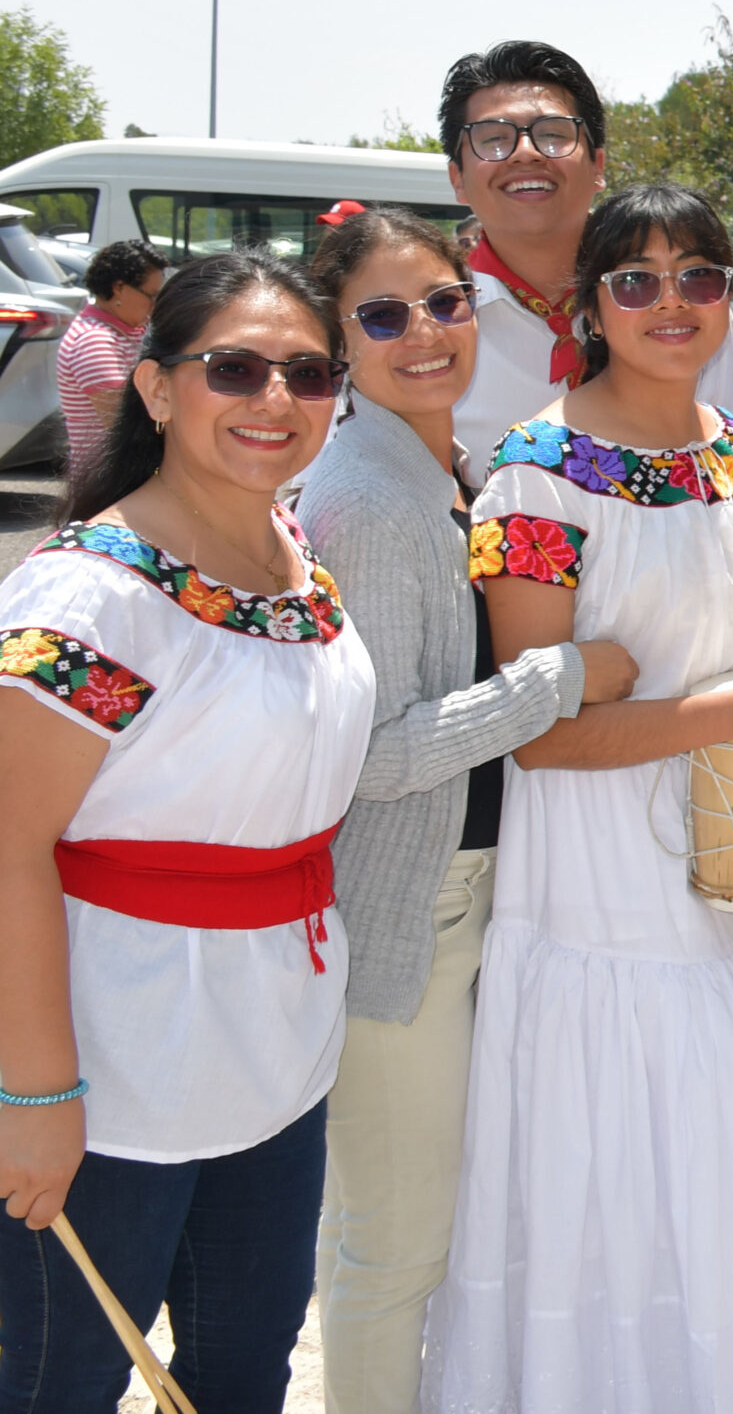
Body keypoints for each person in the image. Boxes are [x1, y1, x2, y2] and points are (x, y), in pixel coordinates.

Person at [420, 184, 733, 1413]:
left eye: (698, 276)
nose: (671, 302)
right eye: (636, 279)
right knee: (662, 1192)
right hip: (613, 909)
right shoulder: (529, 485)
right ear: (590, 304)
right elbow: (540, 739)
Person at [0, 252, 371, 1412]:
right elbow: (9, 846)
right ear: (157, 389)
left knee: (238, 1376)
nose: (275, 399)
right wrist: (34, 1097)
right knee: (60, 1385)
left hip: (276, 1054)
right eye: (234, 368)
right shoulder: (93, 598)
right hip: (114, 1071)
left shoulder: (296, 556)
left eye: (307, 373)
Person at [295, 209, 638, 1414]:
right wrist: (564, 678)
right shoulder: (374, 499)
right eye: (383, 315)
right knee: (394, 1248)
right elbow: (375, 756)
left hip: (466, 894)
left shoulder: (435, 467)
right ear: (337, 342)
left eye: (443, 303)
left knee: (429, 1233)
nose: (425, 333)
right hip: (409, 914)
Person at [437, 40, 733, 481]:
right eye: (493, 140)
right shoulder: (429, 330)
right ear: (458, 180)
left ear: (598, 164)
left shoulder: (690, 307)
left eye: (552, 135)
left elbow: (729, 473)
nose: (526, 153)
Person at [53, 238, 165, 480]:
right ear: (119, 289)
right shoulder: (94, 341)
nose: (155, 306)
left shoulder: (124, 330)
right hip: (105, 481)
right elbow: (123, 422)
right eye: (151, 296)